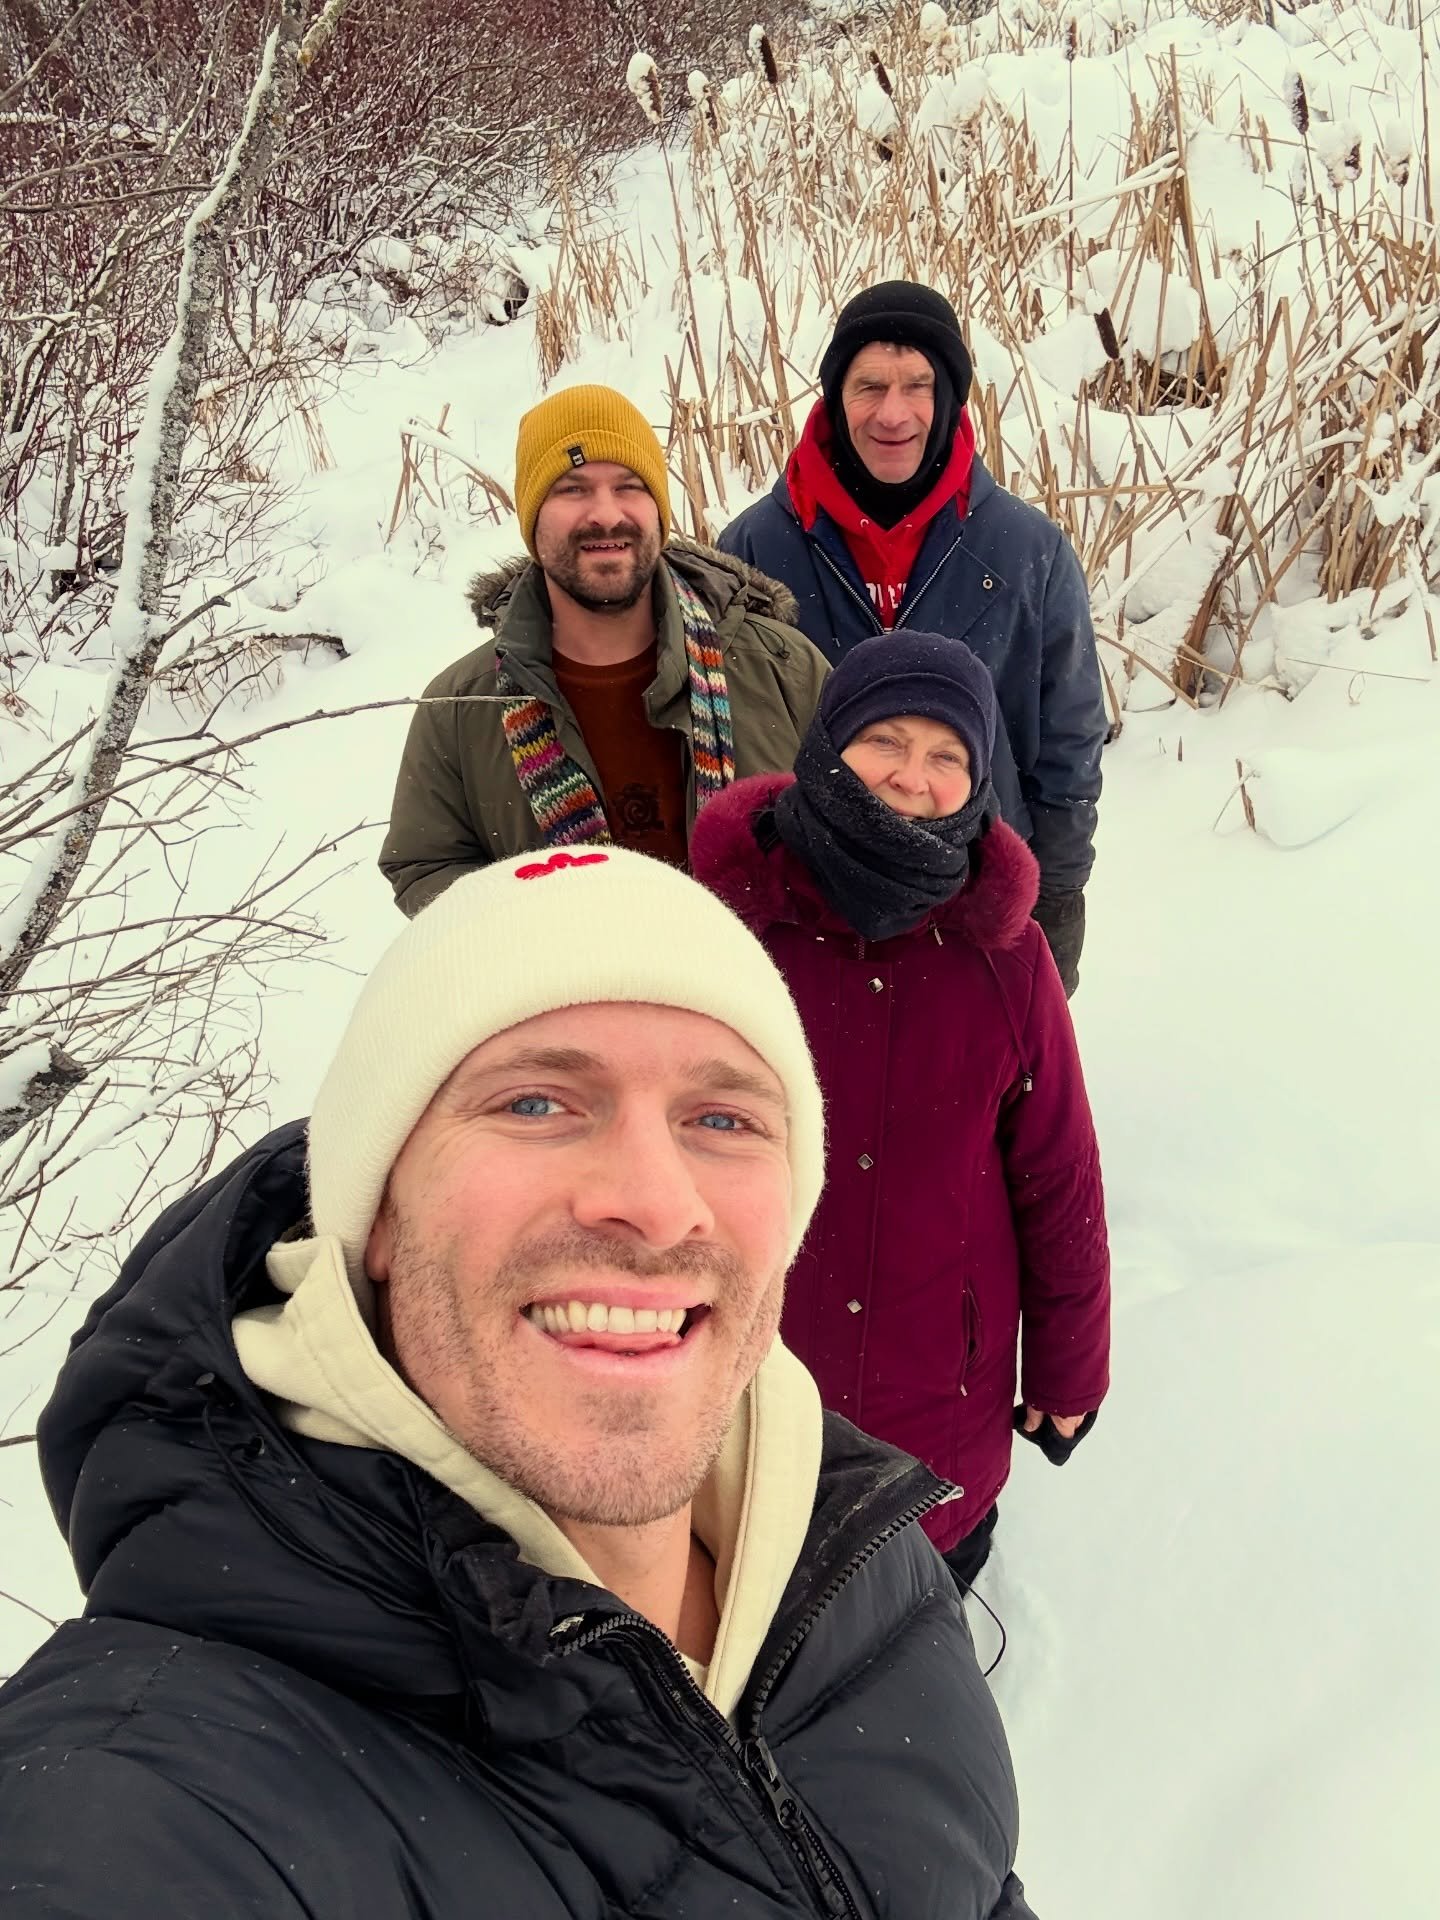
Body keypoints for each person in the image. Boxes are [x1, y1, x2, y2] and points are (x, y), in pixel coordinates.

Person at [0, 847, 1038, 1919]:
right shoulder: (136, 1822)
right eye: (537, 1103)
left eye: (723, 1120)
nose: (655, 1202)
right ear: (378, 1215)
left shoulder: (867, 1565)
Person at [691, 631, 1110, 1595]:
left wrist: (1069, 1369)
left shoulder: (1007, 957)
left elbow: (1059, 1174)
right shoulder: (733, 925)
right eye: (886, 738)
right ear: (829, 743)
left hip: (938, 1404)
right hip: (747, 1389)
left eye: (947, 754)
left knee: (914, 1632)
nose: (913, 777)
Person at [717, 281, 1106, 995]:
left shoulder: (1029, 550)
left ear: (949, 397)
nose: (892, 414)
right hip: (812, 909)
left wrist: (1058, 889)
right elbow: (723, 741)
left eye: (917, 385)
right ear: (836, 398)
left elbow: (1068, 740)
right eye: (869, 386)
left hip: (976, 905)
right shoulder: (752, 550)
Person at [380, 385, 830, 915]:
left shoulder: (783, 669)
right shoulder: (461, 707)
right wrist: (528, 933)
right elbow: (426, 866)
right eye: (572, 489)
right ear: (532, 518)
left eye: (628, 486)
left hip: (760, 970)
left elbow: (862, 830)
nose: (605, 514)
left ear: (658, 510)